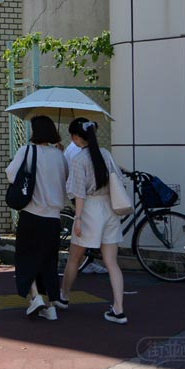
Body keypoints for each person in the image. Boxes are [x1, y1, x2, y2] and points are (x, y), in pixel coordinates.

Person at [62, 119, 129, 324]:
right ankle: (118, 309)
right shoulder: (106, 154)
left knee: (74, 258)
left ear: (75, 138)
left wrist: (79, 218)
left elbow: (78, 193)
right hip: (109, 209)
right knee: (111, 262)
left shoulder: (79, 159)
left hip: (90, 210)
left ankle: (63, 297)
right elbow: (118, 179)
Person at [6, 116, 69, 321]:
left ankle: (35, 297)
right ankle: (50, 306)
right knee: (48, 262)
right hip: (53, 218)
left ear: (35, 130)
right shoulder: (60, 155)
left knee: (26, 258)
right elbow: (65, 179)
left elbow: (11, 175)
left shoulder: (27, 151)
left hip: (32, 214)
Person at [64, 118, 108, 276]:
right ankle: (87, 261)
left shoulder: (74, 150)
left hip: (83, 195)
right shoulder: (79, 152)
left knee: (87, 231)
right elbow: (80, 189)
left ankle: (64, 295)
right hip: (84, 196)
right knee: (85, 231)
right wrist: (78, 217)